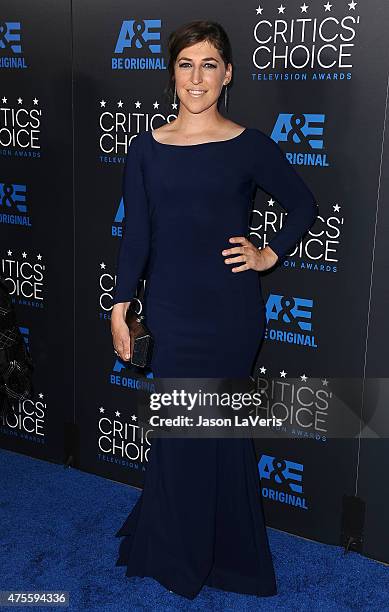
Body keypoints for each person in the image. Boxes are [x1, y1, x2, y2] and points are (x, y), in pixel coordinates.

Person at [111, 19, 317, 600]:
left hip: (229, 312)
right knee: (181, 429)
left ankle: (224, 555)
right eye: (185, 64)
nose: (195, 77)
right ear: (171, 74)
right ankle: (177, 542)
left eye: (208, 65)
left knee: (215, 428)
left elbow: (302, 202)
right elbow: (136, 239)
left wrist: (268, 254)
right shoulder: (146, 148)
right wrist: (120, 306)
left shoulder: (250, 144)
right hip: (172, 312)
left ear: (227, 75)